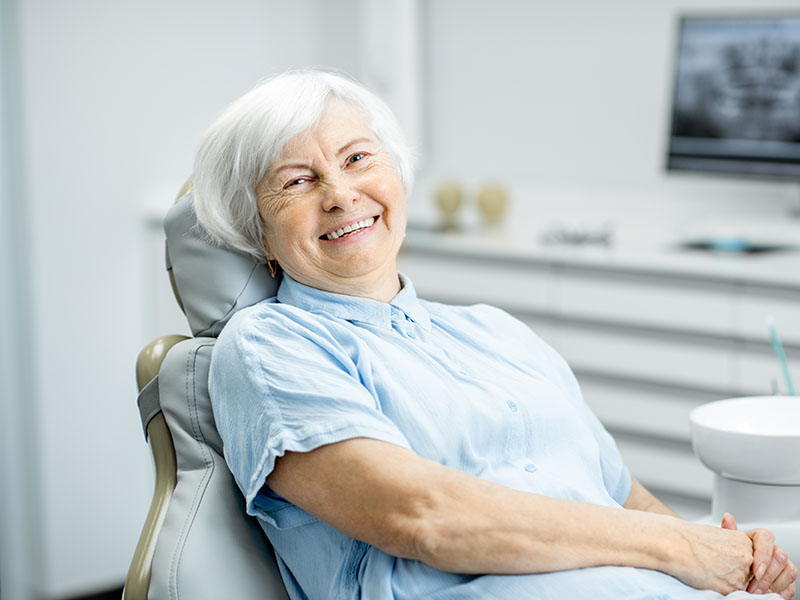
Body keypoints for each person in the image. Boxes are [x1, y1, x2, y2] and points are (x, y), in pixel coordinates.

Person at [192, 70, 797, 600]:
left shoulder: (496, 331)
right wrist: (676, 546)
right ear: (261, 237)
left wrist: (732, 568)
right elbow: (425, 518)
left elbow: (625, 498)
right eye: (297, 181)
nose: (340, 193)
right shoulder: (270, 346)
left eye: (357, 159)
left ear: (395, 176)